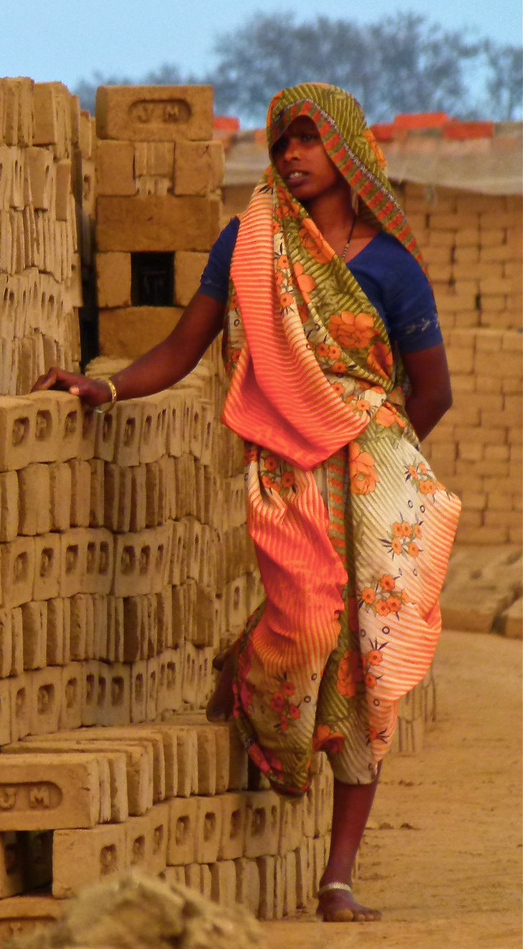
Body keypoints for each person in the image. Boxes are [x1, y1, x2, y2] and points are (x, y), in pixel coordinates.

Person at [35, 83, 457, 924]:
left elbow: (433, 391)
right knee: (303, 626)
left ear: (348, 151)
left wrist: (378, 457)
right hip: (287, 468)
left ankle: (337, 876)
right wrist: (104, 388)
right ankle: (250, 664)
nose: (292, 157)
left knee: (369, 668)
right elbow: (186, 347)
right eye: (281, 145)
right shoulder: (250, 243)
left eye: (307, 141)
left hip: (374, 471)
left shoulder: (391, 266)